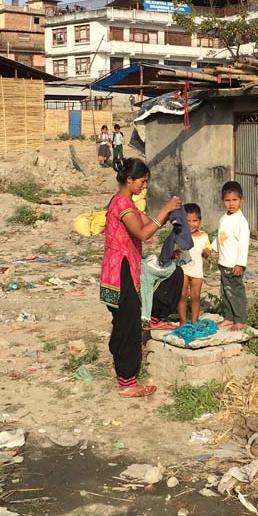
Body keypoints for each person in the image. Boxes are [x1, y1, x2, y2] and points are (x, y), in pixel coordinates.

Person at [100, 158, 182, 398]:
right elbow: (143, 232)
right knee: (128, 323)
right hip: (120, 269)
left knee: (126, 318)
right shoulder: (121, 204)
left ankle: (123, 365)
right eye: (142, 182)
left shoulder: (128, 204)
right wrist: (164, 211)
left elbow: (149, 223)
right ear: (129, 180)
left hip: (123, 268)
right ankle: (127, 383)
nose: (144, 186)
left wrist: (169, 218)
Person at [216, 180, 250, 331]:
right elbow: (220, 237)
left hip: (234, 265)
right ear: (222, 201)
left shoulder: (241, 222)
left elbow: (244, 244)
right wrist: (210, 248)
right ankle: (229, 317)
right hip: (224, 262)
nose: (231, 204)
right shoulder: (224, 218)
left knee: (236, 292)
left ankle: (240, 319)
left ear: (241, 200)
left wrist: (240, 264)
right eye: (227, 200)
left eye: (235, 200)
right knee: (225, 291)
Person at [178, 203, 214, 325]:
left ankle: (194, 321)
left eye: (195, 220)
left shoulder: (204, 236)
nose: (191, 224)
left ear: (200, 221)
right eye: (187, 221)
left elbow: (207, 250)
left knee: (195, 297)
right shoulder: (180, 234)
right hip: (183, 270)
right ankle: (183, 321)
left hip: (197, 272)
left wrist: (207, 252)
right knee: (182, 296)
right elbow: (173, 250)